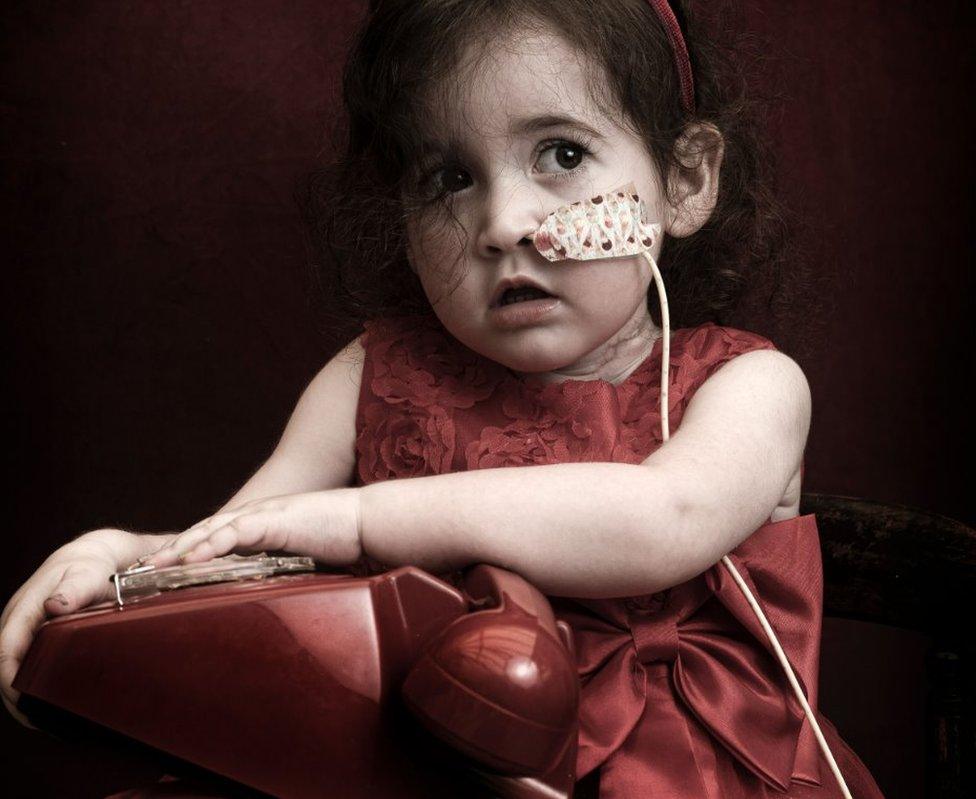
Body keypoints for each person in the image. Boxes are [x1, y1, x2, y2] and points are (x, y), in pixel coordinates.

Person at [1, 1, 885, 796]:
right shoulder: (374, 374)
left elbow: (664, 517)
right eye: (450, 179)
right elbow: (250, 545)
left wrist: (359, 521)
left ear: (684, 182)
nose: (503, 224)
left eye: (563, 155)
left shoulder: (748, 386)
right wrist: (129, 560)